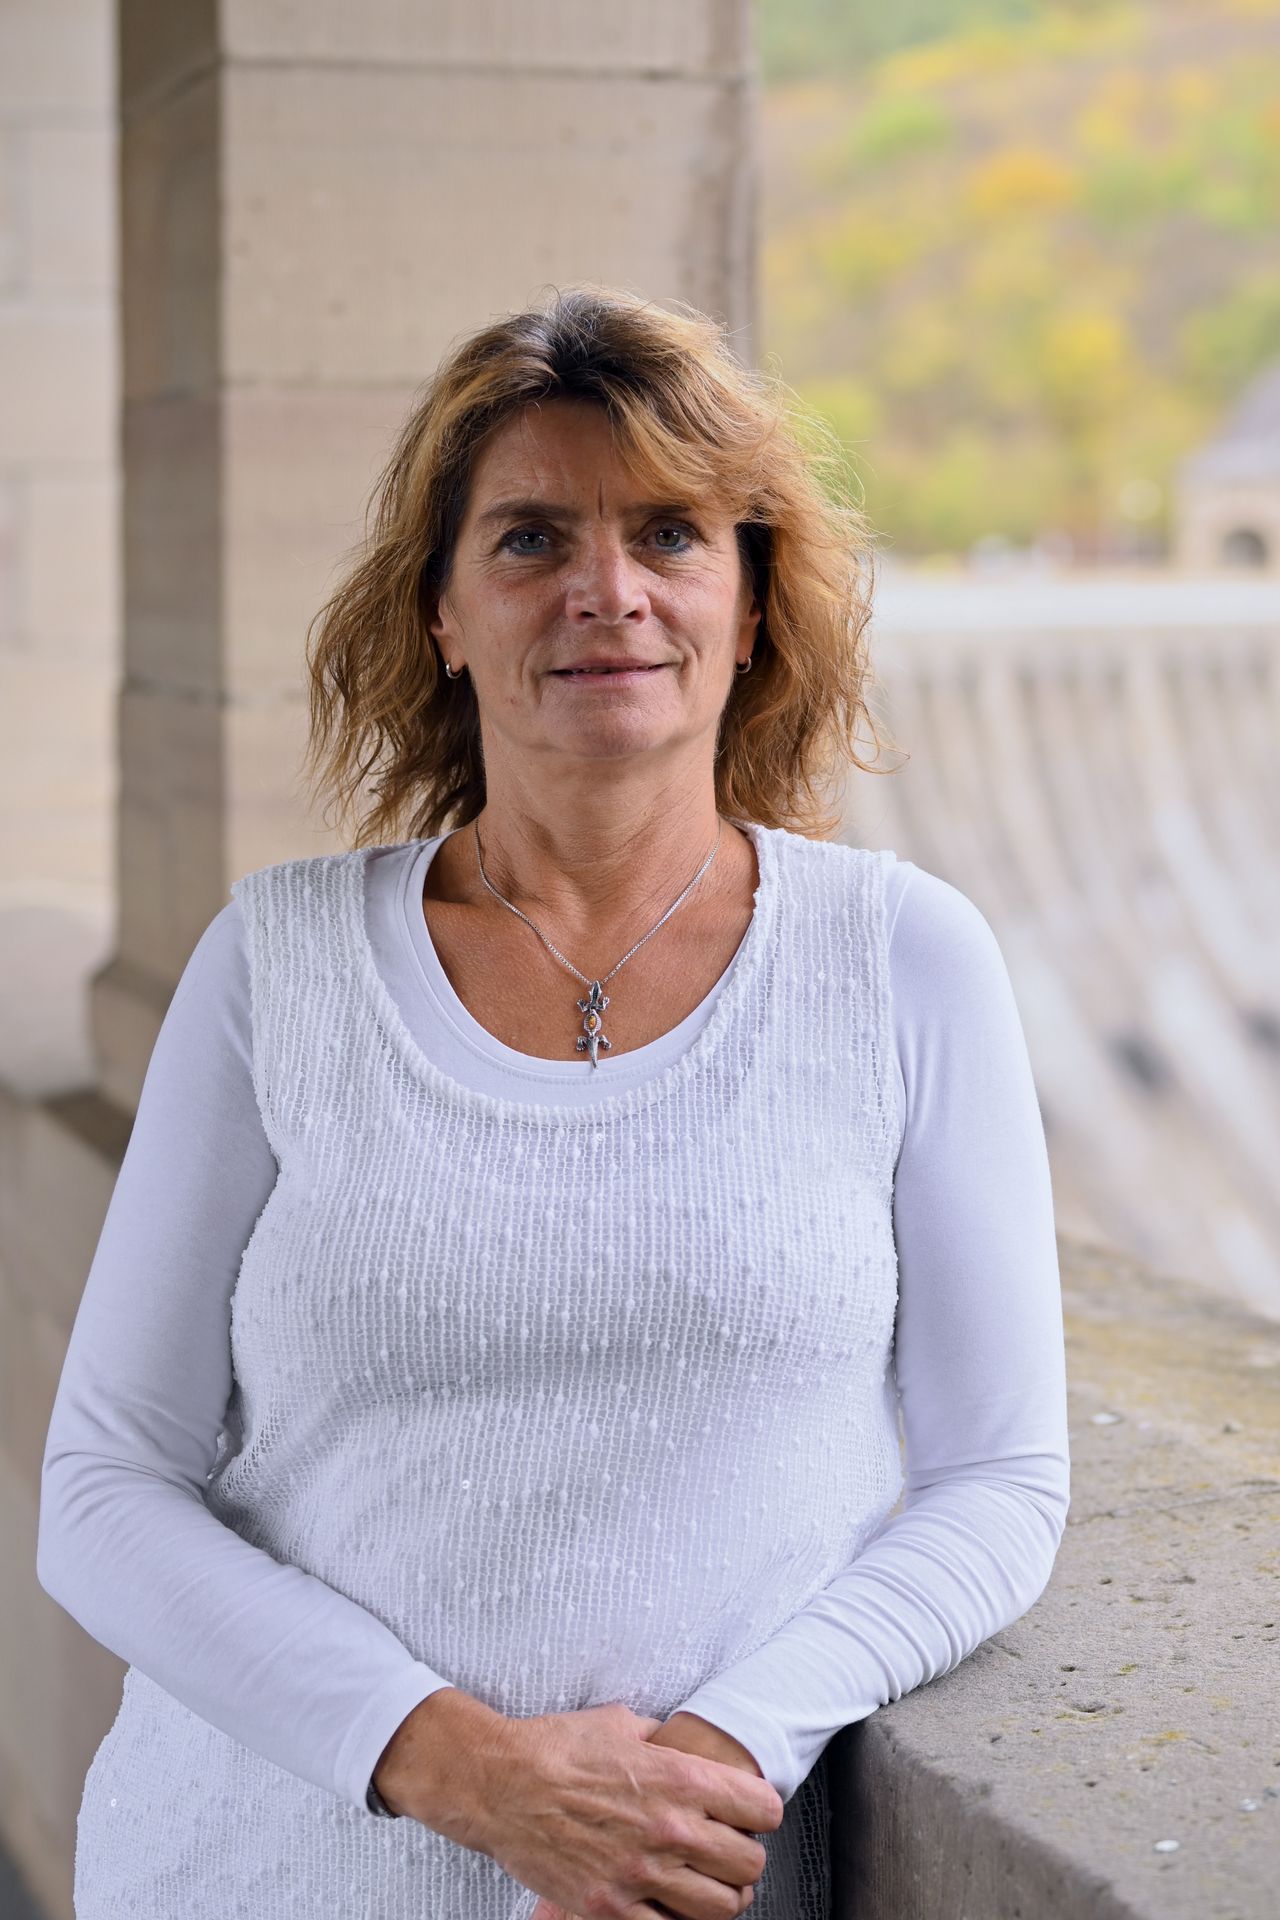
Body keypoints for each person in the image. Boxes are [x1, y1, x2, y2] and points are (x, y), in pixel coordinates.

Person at [38, 284, 1070, 1920]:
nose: (609, 592)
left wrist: (714, 1761)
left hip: (674, 1891)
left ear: (752, 604)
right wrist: (467, 1770)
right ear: (443, 613)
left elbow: (999, 1484)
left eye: (670, 535)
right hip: (247, 1873)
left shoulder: (902, 965)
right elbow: (104, 1492)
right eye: (530, 539)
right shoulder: (276, 966)